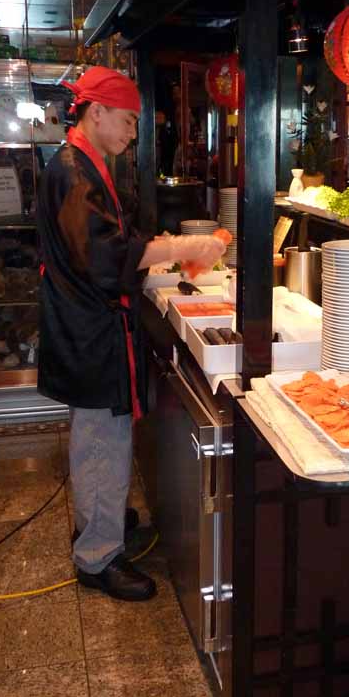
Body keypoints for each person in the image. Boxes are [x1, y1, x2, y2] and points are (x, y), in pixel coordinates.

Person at [38, 67, 226, 601]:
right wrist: (182, 249)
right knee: (102, 441)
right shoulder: (74, 172)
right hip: (88, 329)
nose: (133, 133)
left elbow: (114, 237)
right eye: (127, 120)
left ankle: (101, 521)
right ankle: (97, 557)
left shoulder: (86, 164)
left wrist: (161, 244)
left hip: (86, 325)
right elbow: (107, 257)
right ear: (95, 112)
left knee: (99, 438)